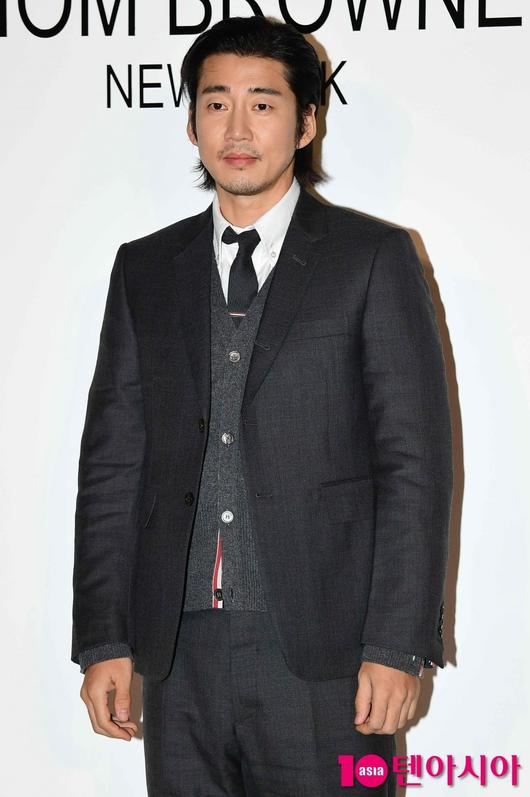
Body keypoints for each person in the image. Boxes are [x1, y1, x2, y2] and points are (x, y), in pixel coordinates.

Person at [71, 15, 453, 796]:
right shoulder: (145, 269)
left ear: (306, 122)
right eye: (216, 104)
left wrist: (395, 643)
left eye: (263, 104)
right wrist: (104, 638)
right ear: (191, 123)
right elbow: (112, 462)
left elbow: (414, 463)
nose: (237, 128)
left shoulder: (372, 259)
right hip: (178, 657)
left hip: (329, 656)